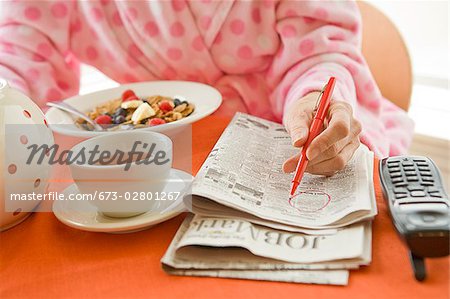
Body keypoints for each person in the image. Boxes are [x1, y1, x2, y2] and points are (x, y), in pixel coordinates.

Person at [0, 0, 413, 175]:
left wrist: (313, 101)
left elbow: (319, 49)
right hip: (158, 157)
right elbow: (17, 64)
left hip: (287, 140)